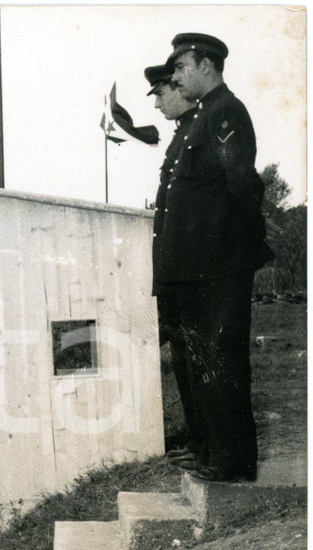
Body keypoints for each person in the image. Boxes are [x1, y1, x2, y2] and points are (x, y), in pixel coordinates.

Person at [157, 33, 273, 481]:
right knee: (202, 361)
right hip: (195, 267)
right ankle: (212, 452)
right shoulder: (205, 116)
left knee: (221, 360)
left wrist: (236, 251)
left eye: (183, 67)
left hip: (218, 265)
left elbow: (242, 185)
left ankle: (234, 460)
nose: (178, 76)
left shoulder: (226, 112)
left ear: (208, 66)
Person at [144, 61, 203, 466]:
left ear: (179, 91)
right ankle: (200, 442)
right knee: (183, 360)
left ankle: (208, 444)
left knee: (198, 363)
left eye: (162, 94)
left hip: (194, 268)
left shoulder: (198, 131)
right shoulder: (181, 136)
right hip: (175, 268)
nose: (158, 104)